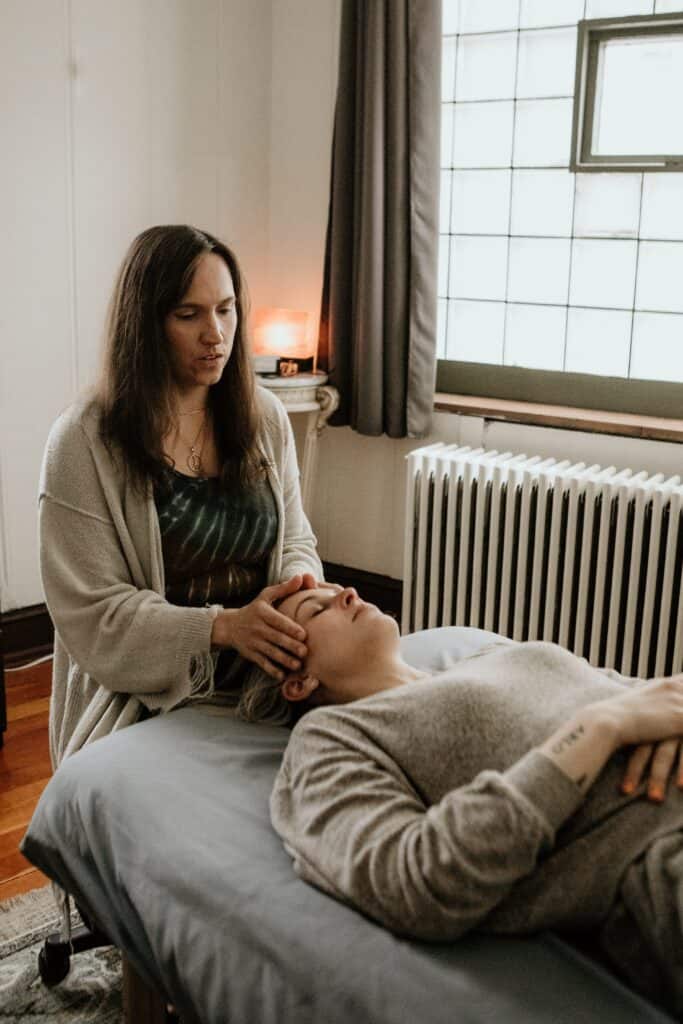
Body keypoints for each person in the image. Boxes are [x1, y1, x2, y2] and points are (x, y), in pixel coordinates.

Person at [266, 585, 683, 1017]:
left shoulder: (489, 655)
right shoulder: (331, 736)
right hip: (661, 851)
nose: (349, 593)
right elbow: (413, 882)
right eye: (316, 609)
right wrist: (597, 729)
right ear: (299, 682)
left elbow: (652, 695)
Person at [39, 224, 330, 769]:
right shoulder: (83, 441)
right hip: (143, 697)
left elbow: (296, 539)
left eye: (225, 309)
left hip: (264, 673)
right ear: (145, 325)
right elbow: (94, 615)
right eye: (188, 314)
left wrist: (303, 595)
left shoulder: (264, 417)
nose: (215, 334)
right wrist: (222, 628)